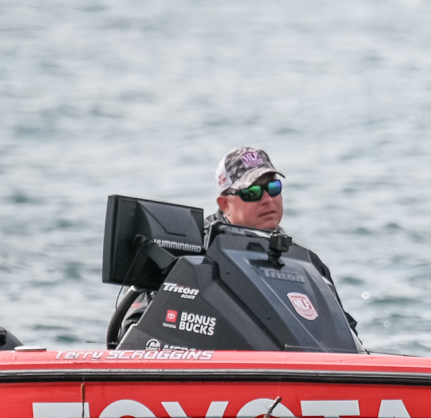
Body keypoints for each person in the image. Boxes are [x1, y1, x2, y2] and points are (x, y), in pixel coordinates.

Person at [112, 146, 358, 346]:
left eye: (273, 188)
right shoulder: (189, 250)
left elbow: (346, 335)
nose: (267, 199)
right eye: (251, 192)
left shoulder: (307, 263)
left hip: (287, 369)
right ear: (224, 203)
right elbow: (133, 330)